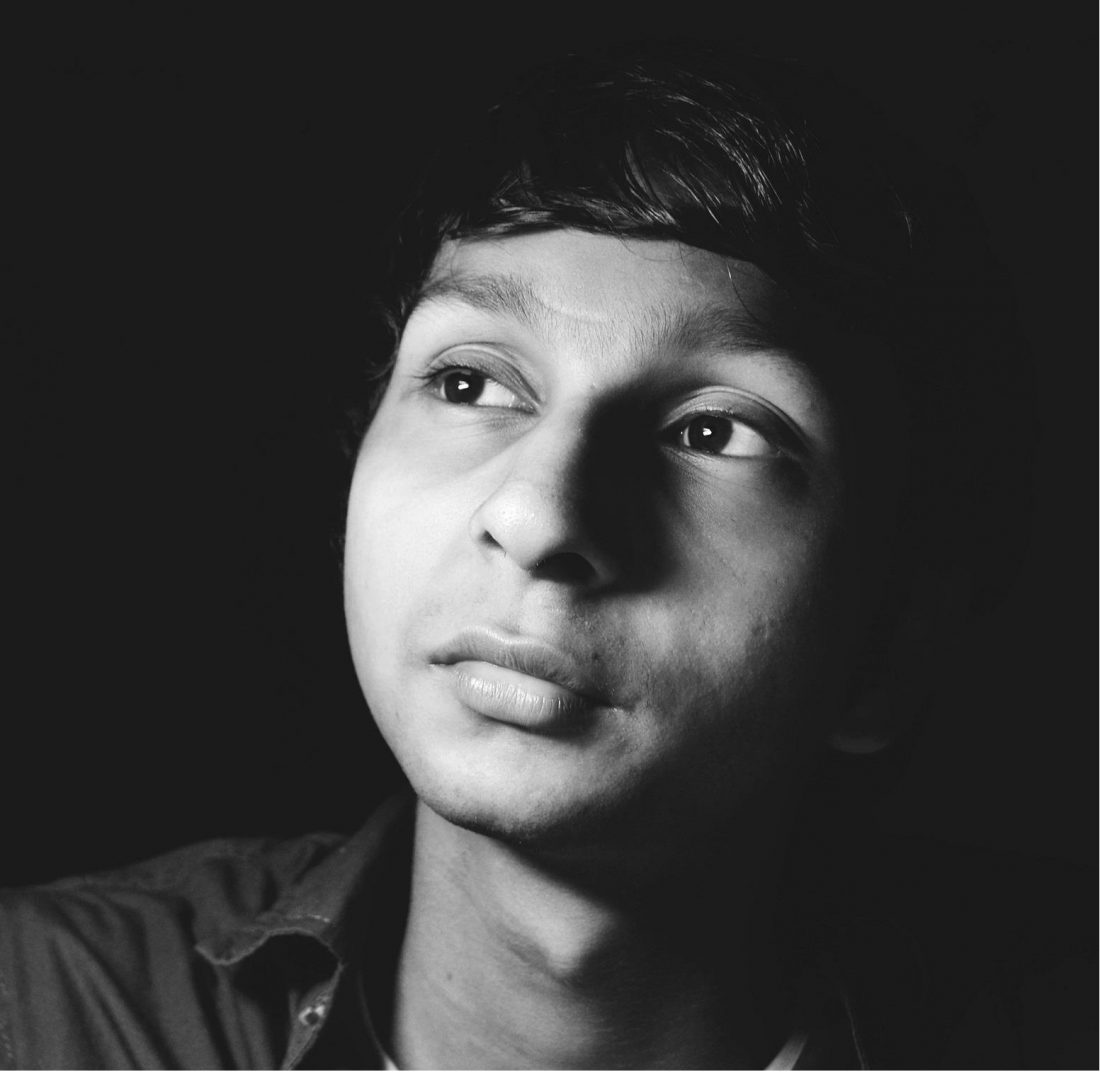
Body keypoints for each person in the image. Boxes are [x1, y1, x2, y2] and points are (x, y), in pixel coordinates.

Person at [0, 42, 1081, 1070]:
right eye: (468, 382)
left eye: (713, 433)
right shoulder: (48, 1012)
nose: (538, 515)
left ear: (889, 646)